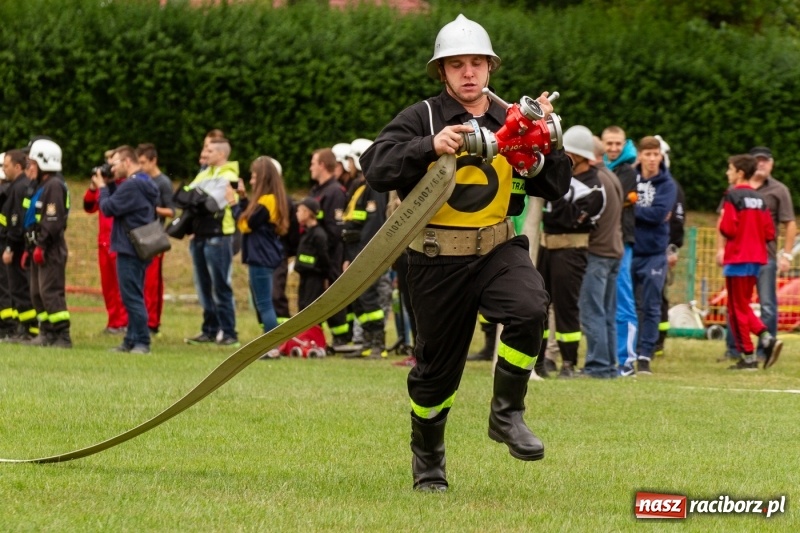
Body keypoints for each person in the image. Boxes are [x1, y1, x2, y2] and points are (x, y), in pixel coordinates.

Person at [360, 14, 572, 491]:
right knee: (435, 373)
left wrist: (543, 144)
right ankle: (429, 463)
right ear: (443, 72)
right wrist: (427, 146)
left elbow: (555, 186)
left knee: (529, 307)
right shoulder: (423, 117)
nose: (469, 73)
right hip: (435, 259)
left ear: (491, 67)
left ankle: (507, 415)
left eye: (477, 62)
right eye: (457, 65)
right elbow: (374, 166)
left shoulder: (512, 117)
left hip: (498, 247)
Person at [536, 125, 605, 379]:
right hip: (546, 248)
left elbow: (568, 218)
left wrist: (556, 196)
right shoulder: (562, 179)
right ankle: (540, 359)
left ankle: (568, 363)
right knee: (539, 306)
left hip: (570, 251)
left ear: (581, 157)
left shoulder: (595, 188)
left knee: (566, 308)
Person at [719, 146, 796, 364]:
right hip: (757, 258)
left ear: (740, 173)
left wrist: (729, 222)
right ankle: (762, 339)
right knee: (742, 305)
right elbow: (769, 232)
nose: (727, 173)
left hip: (737, 259)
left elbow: (728, 229)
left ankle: (750, 353)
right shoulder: (760, 199)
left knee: (736, 308)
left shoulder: (732, 196)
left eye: (730, 169)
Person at [94, 146, 159, 354]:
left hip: (130, 247)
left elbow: (108, 208)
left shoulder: (133, 185)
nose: (112, 168)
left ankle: (142, 342)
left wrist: (103, 187)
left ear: (127, 162)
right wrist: (111, 184)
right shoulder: (143, 182)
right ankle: (130, 340)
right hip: (137, 246)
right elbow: (119, 204)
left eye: (114, 164)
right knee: (133, 295)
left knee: (131, 298)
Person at [180, 137, 241, 347]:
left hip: (219, 236)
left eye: (211, 150)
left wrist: (197, 199)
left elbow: (212, 204)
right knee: (203, 286)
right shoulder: (206, 173)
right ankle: (210, 329)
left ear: (222, 154)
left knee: (220, 285)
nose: (206, 154)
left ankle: (229, 332)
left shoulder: (229, 175)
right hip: (199, 234)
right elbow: (184, 197)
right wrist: (197, 200)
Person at [628, 136, 677, 375]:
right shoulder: (629, 176)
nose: (651, 159)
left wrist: (632, 207)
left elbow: (658, 214)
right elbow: (619, 205)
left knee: (651, 304)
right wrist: (641, 211)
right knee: (629, 304)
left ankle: (646, 353)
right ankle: (630, 351)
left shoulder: (667, 184)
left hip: (655, 254)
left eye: (655, 154)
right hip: (629, 249)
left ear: (660, 156)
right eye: (646, 154)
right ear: (640, 156)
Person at [339, 138, 390, 359]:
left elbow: (373, 223)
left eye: (351, 159)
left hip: (364, 250)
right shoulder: (358, 186)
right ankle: (367, 343)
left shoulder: (374, 187)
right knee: (358, 297)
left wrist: (362, 255)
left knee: (369, 297)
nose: (348, 164)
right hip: (352, 248)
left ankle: (377, 343)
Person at [578, 136, 623, 378]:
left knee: (592, 311)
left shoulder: (596, 180)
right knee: (606, 312)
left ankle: (597, 366)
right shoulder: (611, 175)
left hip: (597, 253)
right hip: (614, 252)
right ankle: (608, 365)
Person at [228, 156, 289, 334]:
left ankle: (272, 346)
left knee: (264, 304)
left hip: (261, 256)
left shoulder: (267, 201)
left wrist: (232, 204)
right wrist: (243, 199)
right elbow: (252, 218)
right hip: (265, 255)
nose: (251, 180)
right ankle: (272, 345)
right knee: (264, 303)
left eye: (254, 176)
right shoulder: (269, 199)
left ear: (263, 177)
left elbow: (246, 224)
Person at [21, 138, 72, 348]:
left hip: (49, 248)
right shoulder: (39, 186)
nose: (28, 168)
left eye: (31, 163)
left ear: (45, 163)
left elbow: (52, 221)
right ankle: (46, 333)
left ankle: (62, 336)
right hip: (36, 247)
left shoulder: (54, 186)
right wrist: (28, 248)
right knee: (36, 293)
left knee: (50, 292)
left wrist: (41, 245)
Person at [601, 125, 639, 370]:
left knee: (623, 300)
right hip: (600, 243)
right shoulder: (597, 167)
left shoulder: (628, 171)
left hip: (622, 242)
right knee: (603, 302)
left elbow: (607, 199)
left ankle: (626, 360)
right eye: (610, 143)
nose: (614, 148)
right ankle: (606, 359)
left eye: (618, 144)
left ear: (624, 144)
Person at [84, 149, 128, 335]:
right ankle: (113, 321)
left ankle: (124, 322)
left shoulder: (124, 185)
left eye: (112, 164)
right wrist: (94, 188)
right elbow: (89, 207)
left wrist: (105, 187)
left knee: (121, 285)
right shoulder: (106, 186)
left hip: (118, 240)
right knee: (108, 286)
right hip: (103, 242)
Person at [308, 148, 348, 345]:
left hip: (330, 255)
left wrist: (329, 259)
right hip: (315, 255)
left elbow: (335, 230)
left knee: (333, 298)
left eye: (313, 163)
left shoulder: (335, 192)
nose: (310, 168)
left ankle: (341, 338)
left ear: (322, 165)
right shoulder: (317, 191)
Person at [136, 143, 176, 336]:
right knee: (140, 281)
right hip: (139, 236)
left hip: (154, 237)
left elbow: (171, 210)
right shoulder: (139, 180)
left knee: (153, 283)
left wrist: (151, 209)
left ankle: (153, 323)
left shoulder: (163, 183)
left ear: (154, 161)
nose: (141, 166)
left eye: (144, 162)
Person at [652, 135, 685, 357]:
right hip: (645, 248)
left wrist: (672, 248)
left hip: (662, 249)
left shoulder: (671, 187)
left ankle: (659, 341)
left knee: (658, 296)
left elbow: (678, 220)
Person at [2, 150, 36, 341]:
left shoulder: (18, 188)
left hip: (17, 246)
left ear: (17, 166)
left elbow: (16, 220)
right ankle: (23, 329)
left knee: (20, 289)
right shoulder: (20, 186)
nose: (3, 170)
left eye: (6, 166)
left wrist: (9, 248)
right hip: (19, 244)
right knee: (17, 289)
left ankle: (29, 330)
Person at [293, 197, 330, 313]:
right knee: (302, 307)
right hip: (304, 276)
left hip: (315, 279)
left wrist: (326, 278)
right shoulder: (306, 232)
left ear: (307, 213)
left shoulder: (319, 235)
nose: (296, 214)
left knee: (310, 311)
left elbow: (324, 258)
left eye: (299, 210)